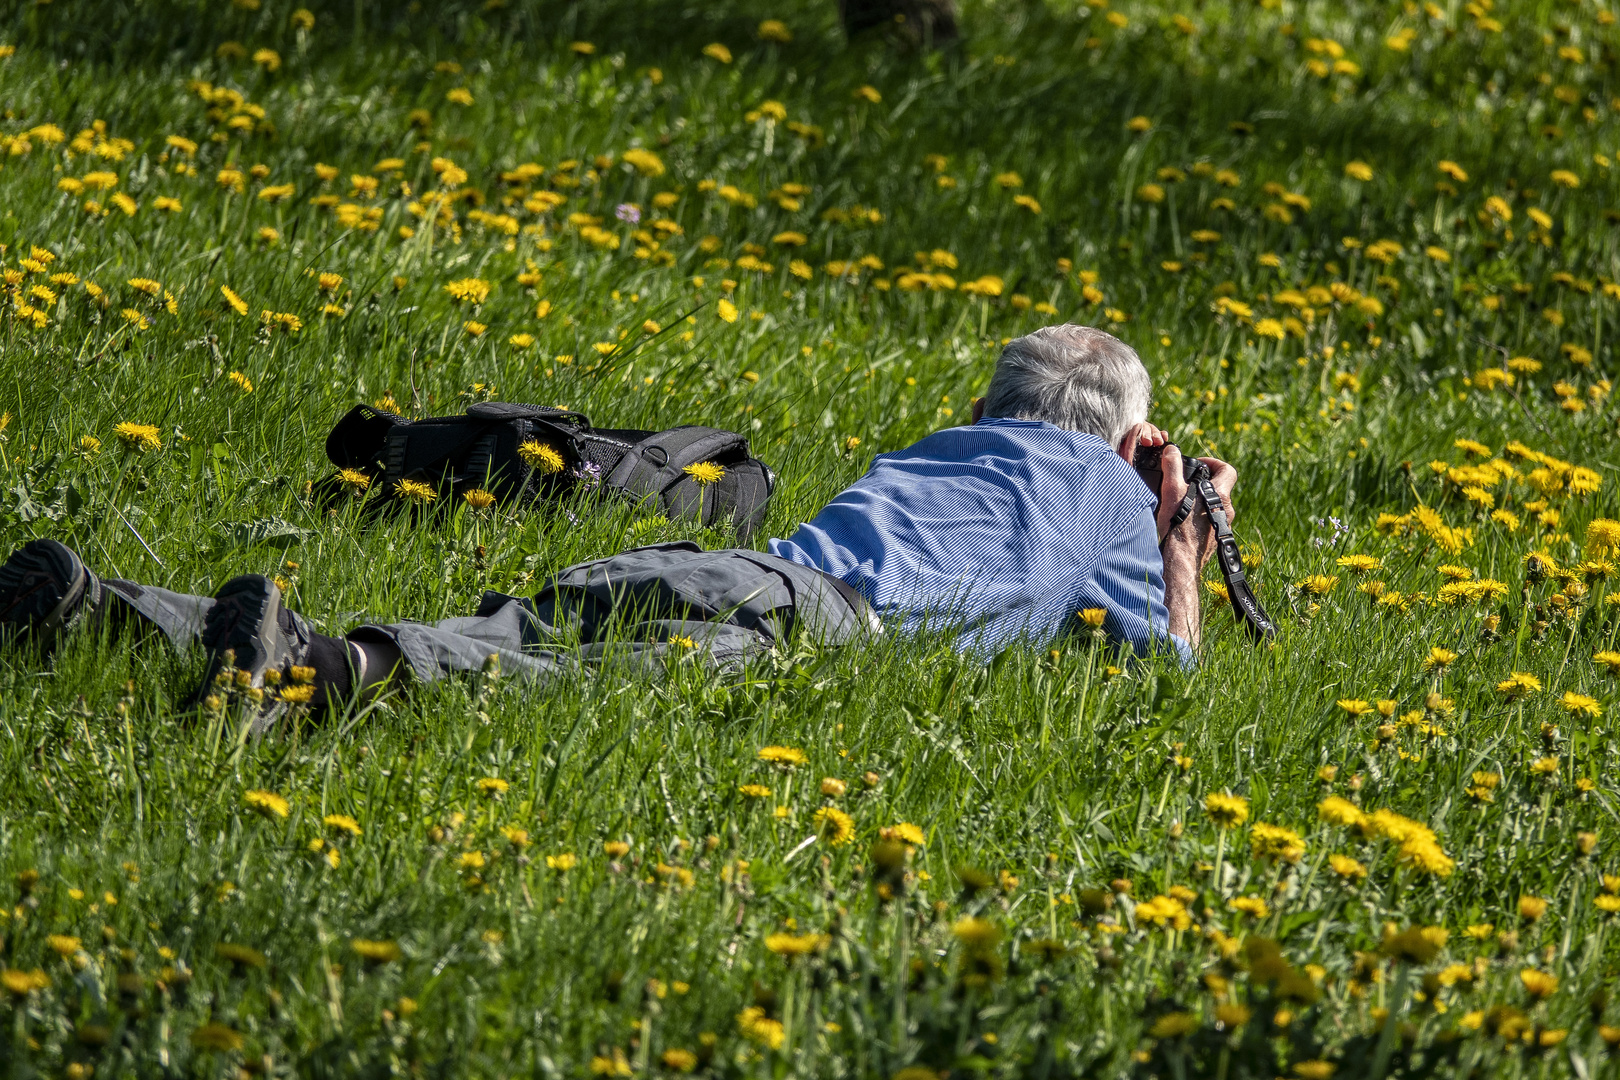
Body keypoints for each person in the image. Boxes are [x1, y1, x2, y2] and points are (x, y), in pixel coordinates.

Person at [0, 324, 1234, 722]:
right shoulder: (1118, 494)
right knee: (536, 685)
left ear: (983, 407)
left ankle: (111, 609)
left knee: (502, 631)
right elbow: (1166, 685)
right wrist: (1180, 544)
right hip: (812, 631)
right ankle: (317, 673)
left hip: (726, 563)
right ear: (1135, 444)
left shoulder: (930, 451)